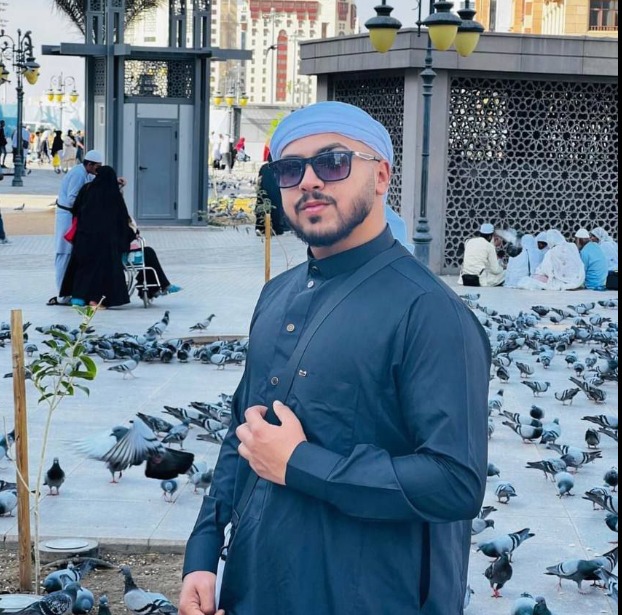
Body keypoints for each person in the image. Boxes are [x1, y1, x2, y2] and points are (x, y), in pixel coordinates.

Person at [179, 101, 490, 615]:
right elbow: (245, 431)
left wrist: (301, 463)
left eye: (333, 162)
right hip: (258, 585)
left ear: (381, 176)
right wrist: (203, 551)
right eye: (290, 169)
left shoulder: (431, 313)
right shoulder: (277, 294)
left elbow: (455, 483)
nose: (309, 181)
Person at [60, 166, 134, 308]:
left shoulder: (87, 189)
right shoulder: (113, 194)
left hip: (84, 238)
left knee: (83, 267)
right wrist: (130, 234)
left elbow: (76, 209)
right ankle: (95, 300)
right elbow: (122, 218)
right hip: (106, 242)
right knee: (102, 271)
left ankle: (78, 297)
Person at [48, 149, 104, 306]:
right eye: (97, 167)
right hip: (66, 216)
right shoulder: (78, 174)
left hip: (72, 216)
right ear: (90, 164)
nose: (98, 170)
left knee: (70, 255)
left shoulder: (87, 173)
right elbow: (73, 199)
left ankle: (70, 291)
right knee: (64, 253)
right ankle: (63, 294)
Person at [517, 229, 585, 290]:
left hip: (559, 280)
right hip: (577, 279)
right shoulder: (572, 246)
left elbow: (546, 269)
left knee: (535, 278)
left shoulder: (551, 252)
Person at [458, 222, 505, 286]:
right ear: (490, 236)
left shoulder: (468, 241)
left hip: (464, 279)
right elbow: (495, 270)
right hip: (479, 280)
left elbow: (478, 256)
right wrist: (502, 268)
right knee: (504, 274)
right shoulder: (490, 246)